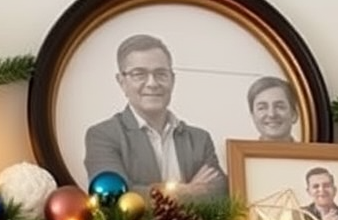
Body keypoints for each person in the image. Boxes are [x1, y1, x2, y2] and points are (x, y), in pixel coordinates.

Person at [84, 34, 227, 198]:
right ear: (121, 81)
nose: (152, 83)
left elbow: (220, 197)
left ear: (172, 80)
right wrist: (189, 191)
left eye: (161, 74)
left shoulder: (200, 139)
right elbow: (114, 197)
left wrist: (147, 192)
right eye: (139, 74)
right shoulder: (103, 135)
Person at [246, 75, 300, 141]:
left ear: (294, 114)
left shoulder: (312, 151)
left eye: (279, 107)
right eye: (262, 108)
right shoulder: (236, 151)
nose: (272, 114)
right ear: (253, 116)